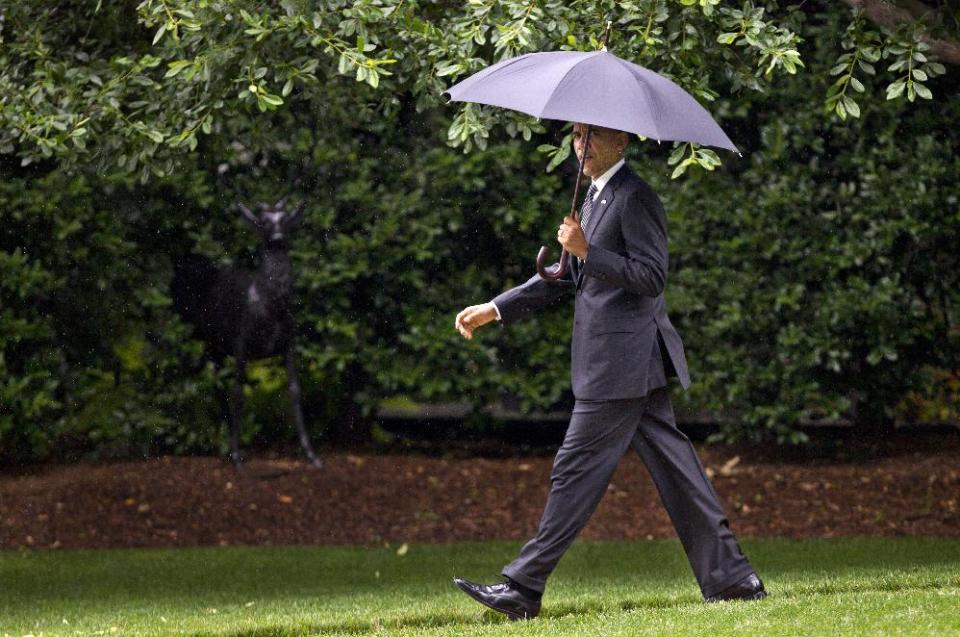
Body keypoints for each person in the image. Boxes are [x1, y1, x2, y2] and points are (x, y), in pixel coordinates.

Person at [451, 123, 766, 620]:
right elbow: (564, 277)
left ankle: (522, 587)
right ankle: (732, 578)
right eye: (577, 136)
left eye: (593, 135)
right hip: (624, 366)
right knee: (678, 473)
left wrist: (587, 251)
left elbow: (651, 276)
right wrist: (496, 307)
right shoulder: (595, 197)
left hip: (620, 366)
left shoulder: (635, 197)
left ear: (622, 140)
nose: (582, 144)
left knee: (573, 471)